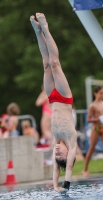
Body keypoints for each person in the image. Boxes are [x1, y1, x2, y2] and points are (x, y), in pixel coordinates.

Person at [30, 13, 77, 194]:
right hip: (64, 98)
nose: (57, 152)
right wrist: (65, 186)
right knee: (55, 63)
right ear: (68, 157)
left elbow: (56, 168)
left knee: (46, 64)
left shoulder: (56, 142)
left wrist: (55, 186)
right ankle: (45, 27)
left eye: (55, 155)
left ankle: (37, 30)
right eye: (60, 155)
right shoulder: (71, 143)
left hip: (51, 98)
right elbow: (68, 168)